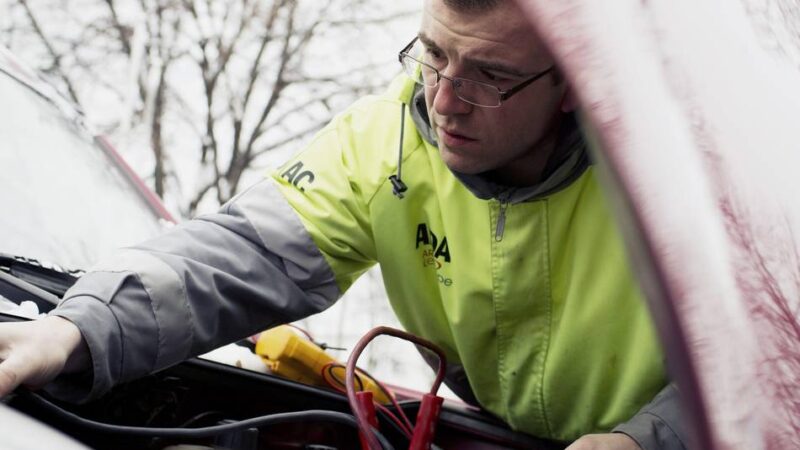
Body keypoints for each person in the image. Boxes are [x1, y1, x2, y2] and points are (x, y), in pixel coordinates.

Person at [0, 0, 687, 449]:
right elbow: (244, 254)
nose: (445, 100)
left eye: (489, 76)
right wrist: (74, 327)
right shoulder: (385, 143)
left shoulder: (682, 181)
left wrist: (643, 440)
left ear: (573, 83)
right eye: (434, 55)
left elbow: (786, 357)